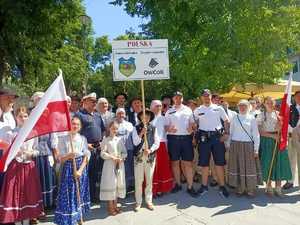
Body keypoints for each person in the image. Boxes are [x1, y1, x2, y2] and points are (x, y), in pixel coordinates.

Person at [0, 107, 43, 225]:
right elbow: (5, 151)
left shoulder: (34, 132)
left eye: (25, 116)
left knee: (29, 194)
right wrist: (14, 153)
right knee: (15, 195)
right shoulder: (11, 133)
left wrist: (31, 153)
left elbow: (37, 150)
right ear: (16, 117)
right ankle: (17, 222)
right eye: (20, 116)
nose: (23, 119)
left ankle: (27, 220)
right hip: (15, 167)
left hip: (29, 167)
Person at [54, 117, 91, 225]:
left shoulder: (82, 138)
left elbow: (86, 155)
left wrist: (80, 170)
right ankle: (69, 218)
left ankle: (79, 217)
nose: (75, 126)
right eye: (73, 124)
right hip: (68, 167)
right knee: (70, 193)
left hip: (80, 167)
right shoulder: (63, 139)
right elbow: (59, 159)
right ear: (69, 125)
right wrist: (68, 155)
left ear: (80, 127)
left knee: (80, 192)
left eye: (77, 124)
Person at [194, 89, 230, 198]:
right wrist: (193, 128)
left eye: (208, 95)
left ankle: (222, 186)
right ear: (201, 97)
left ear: (211, 96)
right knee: (204, 164)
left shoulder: (218, 108)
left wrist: (226, 133)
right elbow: (193, 122)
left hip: (217, 137)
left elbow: (226, 121)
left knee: (219, 163)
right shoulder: (197, 110)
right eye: (204, 95)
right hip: (204, 137)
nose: (206, 97)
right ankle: (204, 186)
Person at [257, 96, 292, 196]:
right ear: (264, 104)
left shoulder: (278, 115)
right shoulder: (260, 115)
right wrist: (273, 136)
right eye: (268, 103)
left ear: (274, 103)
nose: (270, 104)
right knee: (267, 163)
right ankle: (268, 186)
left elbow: (285, 128)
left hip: (278, 140)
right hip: (267, 140)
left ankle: (278, 187)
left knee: (279, 163)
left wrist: (280, 128)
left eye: (272, 103)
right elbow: (259, 131)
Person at [165, 91, 198, 197]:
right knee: (174, 163)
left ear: (182, 98)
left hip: (186, 139)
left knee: (187, 163)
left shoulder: (188, 110)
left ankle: (190, 186)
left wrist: (192, 127)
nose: (178, 99)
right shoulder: (169, 111)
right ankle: (178, 184)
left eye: (180, 97)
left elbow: (193, 124)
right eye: (176, 97)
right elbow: (165, 126)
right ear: (173, 99)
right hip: (173, 139)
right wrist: (169, 128)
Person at [228, 100, 262, 197]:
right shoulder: (235, 118)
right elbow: (231, 132)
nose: (242, 108)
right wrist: (229, 145)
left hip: (248, 145)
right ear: (238, 107)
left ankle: (250, 189)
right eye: (240, 106)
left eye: (244, 106)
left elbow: (256, 135)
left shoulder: (252, 119)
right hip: (235, 145)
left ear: (248, 107)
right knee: (238, 166)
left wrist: (256, 149)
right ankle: (240, 188)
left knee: (249, 167)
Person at [75, 92, 105, 203]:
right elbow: (76, 132)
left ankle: (95, 195)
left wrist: (102, 141)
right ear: (85, 102)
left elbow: (102, 130)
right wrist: (85, 144)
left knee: (97, 173)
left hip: (98, 147)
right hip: (86, 148)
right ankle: (86, 197)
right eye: (92, 101)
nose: (94, 103)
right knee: (87, 174)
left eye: (95, 101)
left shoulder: (97, 115)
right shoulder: (79, 115)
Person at [31, 92, 58, 211]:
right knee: (38, 180)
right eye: (39, 99)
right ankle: (39, 206)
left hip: (47, 153)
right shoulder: (31, 116)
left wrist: (55, 152)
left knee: (49, 178)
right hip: (35, 154)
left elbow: (53, 136)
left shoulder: (49, 117)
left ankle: (49, 202)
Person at [132, 109, 159, 211]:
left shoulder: (153, 128)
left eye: (147, 116)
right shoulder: (136, 128)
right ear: (140, 118)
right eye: (143, 116)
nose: (145, 118)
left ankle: (149, 201)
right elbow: (135, 142)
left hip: (149, 156)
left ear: (149, 118)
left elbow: (157, 142)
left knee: (149, 180)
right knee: (139, 180)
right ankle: (138, 202)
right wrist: (141, 133)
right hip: (139, 156)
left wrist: (150, 150)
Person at [100, 121, 127, 216]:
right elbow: (102, 153)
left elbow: (124, 152)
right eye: (113, 128)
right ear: (109, 128)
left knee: (117, 185)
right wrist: (112, 157)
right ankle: (110, 207)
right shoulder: (106, 140)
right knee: (111, 185)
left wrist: (121, 158)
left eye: (116, 128)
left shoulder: (119, 140)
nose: (115, 130)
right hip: (109, 165)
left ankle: (115, 205)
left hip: (119, 165)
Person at [150, 100, 173, 197]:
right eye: (156, 106)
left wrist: (172, 129)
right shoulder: (147, 118)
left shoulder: (164, 118)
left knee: (162, 167)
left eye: (160, 106)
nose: (158, 107)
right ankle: (152, 189)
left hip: (162, 144)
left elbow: (168, 130)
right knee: (152, 168)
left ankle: (161, 188)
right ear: (151, 107)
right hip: (150, 144)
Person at [0, 88, 18, 191]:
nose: (12, 101)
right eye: (8, 98)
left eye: (12, 99)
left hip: (8, 154)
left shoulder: (10, 115)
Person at [115, 108, 135, 193]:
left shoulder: (129, 124)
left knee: (129, 168)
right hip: (118, 150)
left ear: (125, 115)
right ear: (116, 115)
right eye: (119, 113)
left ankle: (129, 186)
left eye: (122, 113)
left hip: (129, 149)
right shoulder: (114, 124)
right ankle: (121, 188)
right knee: (120, 169)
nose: (121, 115)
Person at [283, 90, 300, 189]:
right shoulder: (289, 109)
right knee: (291, 160)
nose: (299, 98)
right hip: (292, 137)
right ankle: (290, 181)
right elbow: (286, 122)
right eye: (297, 96)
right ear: (294, 98)